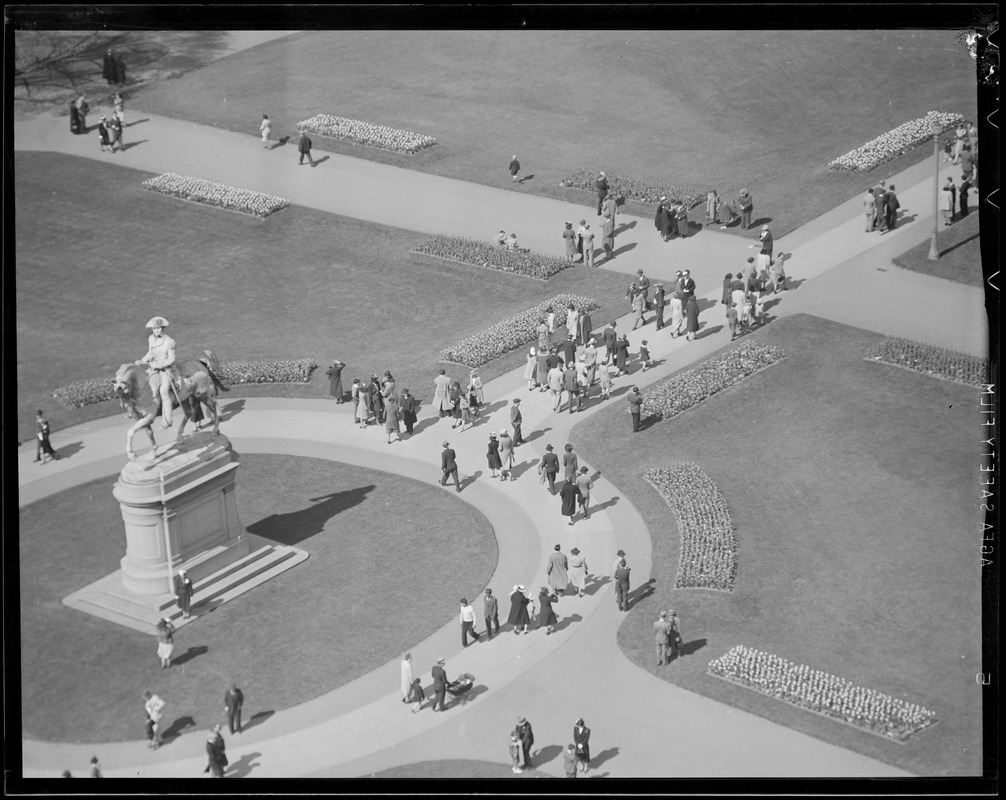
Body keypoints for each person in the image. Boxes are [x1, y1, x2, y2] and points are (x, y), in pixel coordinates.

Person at [136, 316, 177, 429]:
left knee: (163, 391)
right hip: (153, 369)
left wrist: (161, 364)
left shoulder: (170, 342)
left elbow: (171, 359)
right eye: (154, 328)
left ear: (163, 328)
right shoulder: (151, 339)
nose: (156, 330)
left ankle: (167, 420)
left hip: (166, 370)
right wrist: (143, 360)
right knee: (146, 387)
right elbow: (150, 353)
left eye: (158, 328)